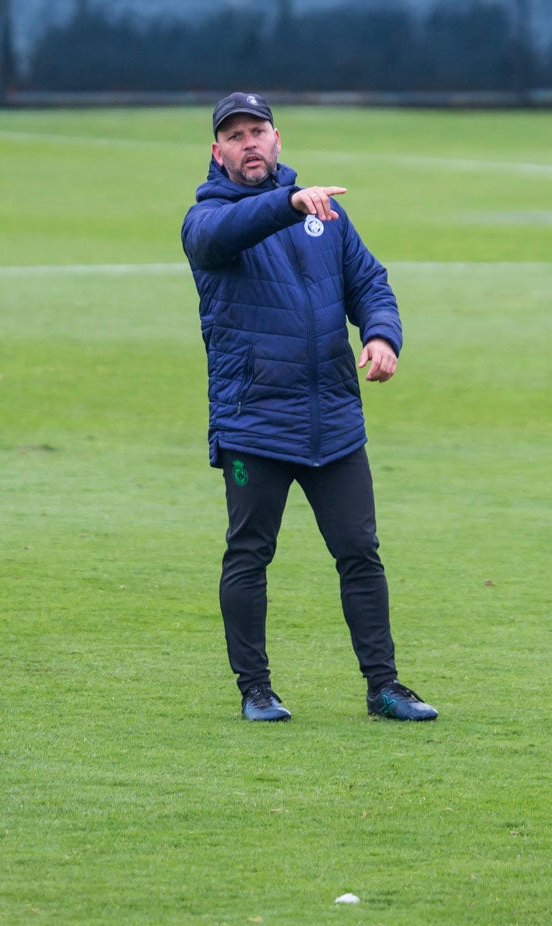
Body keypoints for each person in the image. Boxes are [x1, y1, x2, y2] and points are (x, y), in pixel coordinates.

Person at [180, 92, 437, 723]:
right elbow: (229, 232)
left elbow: (370, 282)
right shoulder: (206, 219)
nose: (248, 143)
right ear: (218, 153)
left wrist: (381, 335)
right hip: (254, 423)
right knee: (249, 554)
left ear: (277, 139)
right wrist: (287, 203)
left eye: (257, 130)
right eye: (234, 135)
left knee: (359, 551)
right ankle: (255, 690)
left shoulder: (328, 218)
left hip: (333, 421)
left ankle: (384, 687)